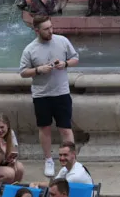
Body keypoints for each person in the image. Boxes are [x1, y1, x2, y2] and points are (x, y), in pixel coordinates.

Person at [18, 15, 79, 178]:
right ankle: (48, 160)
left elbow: (75, 58)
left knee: (65, 128)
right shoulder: (29, 49)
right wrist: (38, 70)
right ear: (36, 30)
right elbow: (23, 72)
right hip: (41, 94)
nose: (50, 31)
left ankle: (71, 160)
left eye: (51, 27)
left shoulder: (62, 41)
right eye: (46, 29)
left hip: (61, 92)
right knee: (44, 128)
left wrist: (65, 64)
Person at [0, 113, 25, 185]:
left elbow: (15, 152)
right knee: (9, 173)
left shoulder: (11, 133)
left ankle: (14, 188)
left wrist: (12, 159)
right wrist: (1, 151)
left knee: (20, 168)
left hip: (4, 164)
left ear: (7, 126)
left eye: (2, 127)